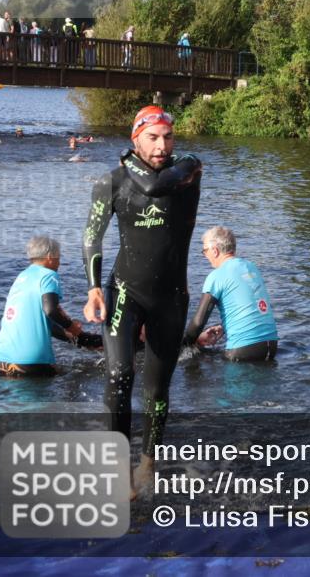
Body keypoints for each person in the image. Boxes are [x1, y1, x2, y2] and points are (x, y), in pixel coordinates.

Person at [82, 105, 202, 494]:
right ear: (136, 138)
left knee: (157, 389)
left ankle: (147, 463)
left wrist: (127, 158)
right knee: (119, 376)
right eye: (152, 137)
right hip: (124, 293)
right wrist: (93, 286)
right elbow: (92, 238)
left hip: (171, 296)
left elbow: (152, 186)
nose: (162, 145)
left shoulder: (188, 169)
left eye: (168, 136)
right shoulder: (111, 182)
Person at [0, 236, 102, 377]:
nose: (59, 262)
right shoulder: (48, 275)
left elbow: (46, 323)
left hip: (4, 361)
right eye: (59, 258)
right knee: (83, 377)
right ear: (50, 257)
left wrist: (79, 338)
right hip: (32, 361)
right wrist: (72, 327)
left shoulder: (21, 277)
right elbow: (51, 310)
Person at [182, 227, 279, 362]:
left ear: (215, 251)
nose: (205, 256)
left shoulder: (216, 276)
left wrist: (185, 345)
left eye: (205, 251)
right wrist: (225, 326)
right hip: (271, 345)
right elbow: (251, 307)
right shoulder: (251, 267)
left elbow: (198, 323)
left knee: (197, 358)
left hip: (243, 349)